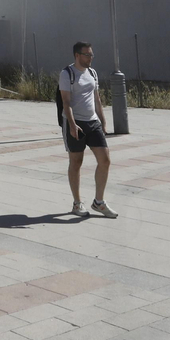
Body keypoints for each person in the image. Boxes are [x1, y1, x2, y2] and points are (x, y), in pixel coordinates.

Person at [58, 41, 116, 218]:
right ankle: (77, 204)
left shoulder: (92, 73)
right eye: (87, 55)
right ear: (77, 55)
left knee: (105, 160)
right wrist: (73, 124)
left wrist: (103, 121)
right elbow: (66, 102)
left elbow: (96, 99)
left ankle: (99, 202)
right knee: (76, 162)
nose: (91, 57)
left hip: (93, 122)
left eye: (92, 54)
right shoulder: (67, 74)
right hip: (75, 123)